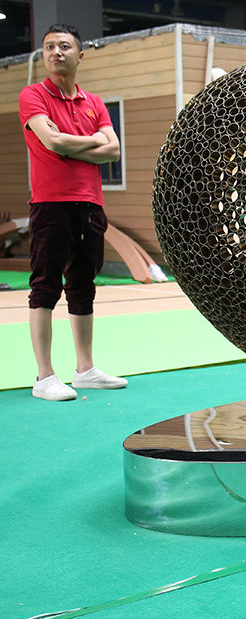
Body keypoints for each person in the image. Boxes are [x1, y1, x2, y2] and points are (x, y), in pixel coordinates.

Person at [18, 23, 128, 401]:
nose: (56, 53)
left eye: (64, 46)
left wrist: (71, 145)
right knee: (45, 286)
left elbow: (113, 151)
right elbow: (52, 142)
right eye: (49, 47)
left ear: (79, 56)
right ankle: (44, 376)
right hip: (51, 204)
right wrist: (92, 141)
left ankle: (85, 370)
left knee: (83, 285)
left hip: (91, 204)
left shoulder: (93, 102)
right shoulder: (33, 95)